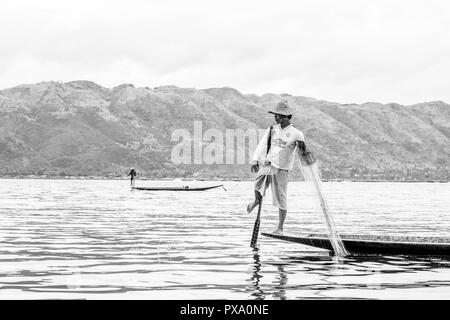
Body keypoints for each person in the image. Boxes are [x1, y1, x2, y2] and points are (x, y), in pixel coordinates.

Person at [247, 100, 308, 235]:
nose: (276, 117)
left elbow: (303, 151)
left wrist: (305, 153)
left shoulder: (297, 133)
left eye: (279, 115)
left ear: (286, 116)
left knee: (281, 197)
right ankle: (256, 200)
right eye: (275, 114)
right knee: (257, 184)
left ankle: (280, 228)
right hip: (268, 164)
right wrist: (255, 160)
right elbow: (262, 145)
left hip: (282, 169)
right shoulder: (272, 129)